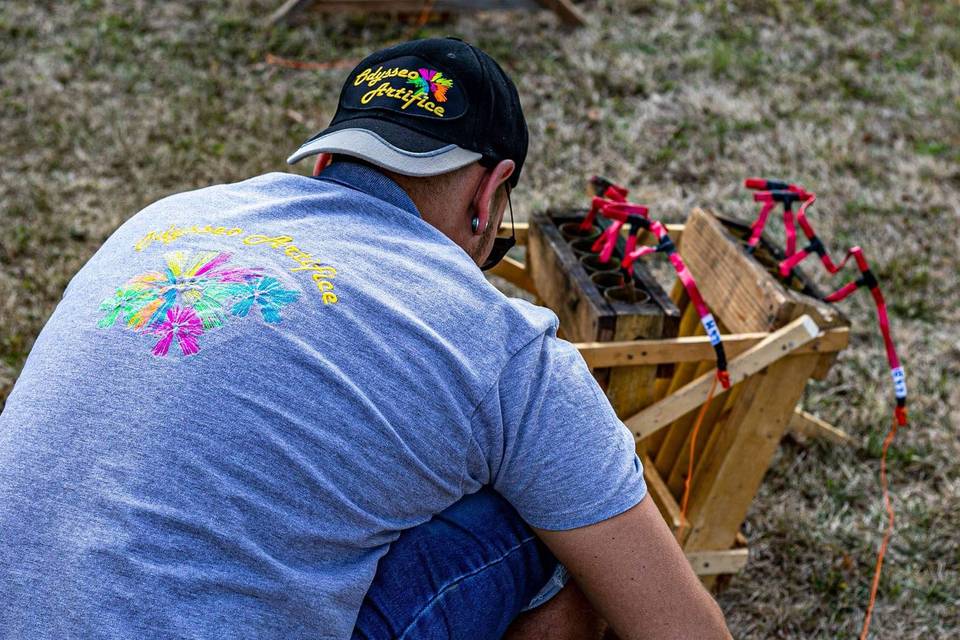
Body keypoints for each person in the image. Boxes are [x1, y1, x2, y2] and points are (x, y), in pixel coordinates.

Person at [0, 37, 730, 639]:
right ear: (489, 193)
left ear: (328, 159)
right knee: (554, 533)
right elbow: (682, 631)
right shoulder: (503, 348)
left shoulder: (160, 222)